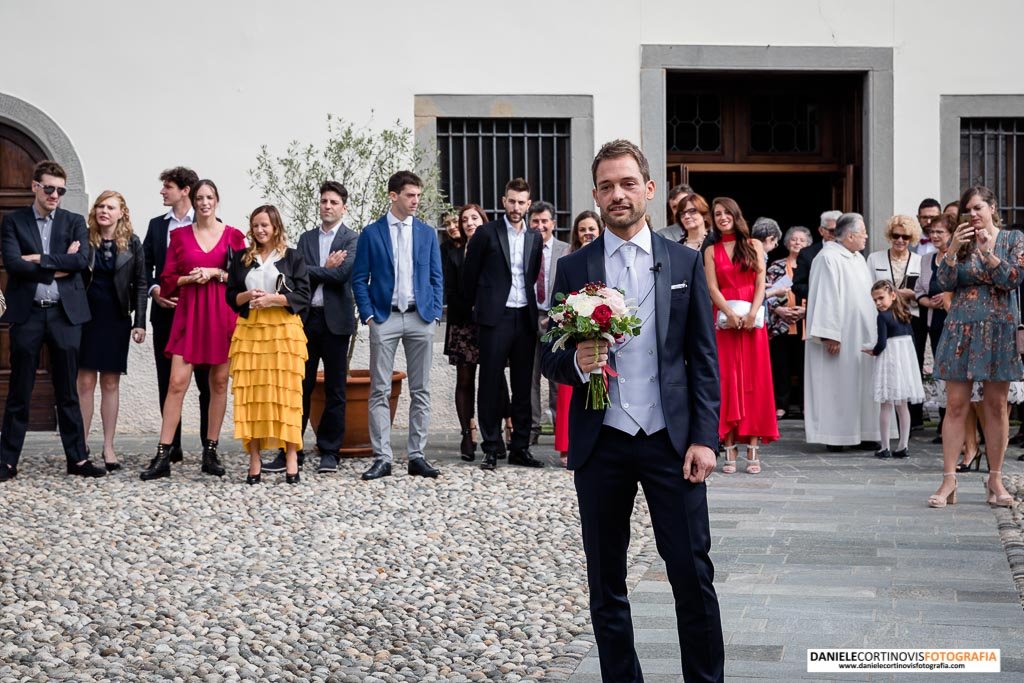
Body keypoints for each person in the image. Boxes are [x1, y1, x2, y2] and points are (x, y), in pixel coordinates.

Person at [542, 139, 723, 682]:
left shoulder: (685, 263)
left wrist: (705, 439)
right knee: (606, 580)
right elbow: (546, 352)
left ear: (648, 189)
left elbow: (703, 361)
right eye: (605, 186)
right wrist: (576, 359)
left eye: (626, 184)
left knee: (692, 574)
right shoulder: (575, 267)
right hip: (603, 444)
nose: (616, 195)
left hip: (672, 441)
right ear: (595, 195)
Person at [0, 160, 105, 482]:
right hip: (28, 314)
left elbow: (81, 260)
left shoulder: (74, 223)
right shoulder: (14, 222)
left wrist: (40, 259)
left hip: (65, 315)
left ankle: (78, 459)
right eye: (49, 188)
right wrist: (59, 265)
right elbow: (14, 264)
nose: (55, 195)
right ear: (34, 186)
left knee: (68, 391)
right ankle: (6, 462)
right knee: (20, 389)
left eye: (60, 190)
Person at [140, 179, 246, 481]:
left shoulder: (234, 236)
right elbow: (168, 278)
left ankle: (210, 451)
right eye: (199, 197)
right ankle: (164, 453)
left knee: (219, 383)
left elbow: (242, 277)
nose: (204, 202)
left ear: (217, 200)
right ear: (194, 200)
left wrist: (216, 273)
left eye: (209, 197)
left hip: (222, 315)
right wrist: (190, 279)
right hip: (189, 314)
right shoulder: (180, 236)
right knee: (176, 383)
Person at [929, 186, 1024, 508]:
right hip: (961, 329)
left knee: (996, 407)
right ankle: (948, 481)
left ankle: (995, 480)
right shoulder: (961, 243)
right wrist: (954, 249)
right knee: (956, 405)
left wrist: (988, 252)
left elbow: (1013, 278)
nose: (973, 214)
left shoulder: (1013, 240)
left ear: (993, 208)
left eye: (978, 208)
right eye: (968, 209)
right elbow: (943, 282)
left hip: (999, 330)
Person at [351, 170, 444, 481]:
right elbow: (359, 278)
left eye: (418, 195)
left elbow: (436, 276)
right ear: (393, 196)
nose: (416, 200)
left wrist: (433, 314)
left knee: (422, 390)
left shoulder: (427, 233)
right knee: (379, 389)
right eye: (410, 195)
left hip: (420, 317)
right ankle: (382, 458)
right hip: (384, 316)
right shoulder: (371, 233)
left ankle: (417, 455)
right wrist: (368, 315)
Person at [264, 181, 358, 475]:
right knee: (297, 387)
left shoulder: (352, 239)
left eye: (333, 202)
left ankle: (330, 451)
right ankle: (291, 450)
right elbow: (295, 276)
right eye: (323, 202)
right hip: (305, 320)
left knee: (335, 389)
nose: (327, 206)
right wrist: (324, 270)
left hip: (337, 322)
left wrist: (323, 272)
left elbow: (343, 275)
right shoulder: (305, 239)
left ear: (343, 207)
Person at [463, 178, 545, 471]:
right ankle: (491, 446)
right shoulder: (486, 233)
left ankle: (520, 447)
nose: (516, 207)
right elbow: (469, 276)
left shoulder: (534, 238)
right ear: (503, 201)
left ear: (528, 203)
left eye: (521, 202)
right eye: (511, 201)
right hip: (494, 319)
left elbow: (531, 273)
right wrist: (477, 310)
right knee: (490, 383)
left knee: (523, 385)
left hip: (524, 316)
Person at [227, 205, 310, 484]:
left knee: (286, 395)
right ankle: (254, 459)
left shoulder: (292, 257)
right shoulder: (241, 258)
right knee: (252, 395)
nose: (260, 230)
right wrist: (248, 294)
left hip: (284, 333)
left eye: (265, 225)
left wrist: (273, 299)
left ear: (275, 227)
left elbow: (303, 295)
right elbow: (230, 297)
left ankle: (290, 457)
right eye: (255, 225)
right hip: (251, 333)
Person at [142, 166, 211, 465]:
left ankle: (210, 447)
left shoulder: (209, 223)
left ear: (185, 190)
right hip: (167, 312)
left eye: (167, 186)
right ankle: (172, 446)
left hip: (202, 313)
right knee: (167, 380)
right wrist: (155, 290)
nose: (162, 191)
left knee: (207, 382)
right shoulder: (157, 226)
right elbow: (143, 266)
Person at [705, 198, 779, 474]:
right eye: (717, 214)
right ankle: (729, 446)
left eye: (726, 213)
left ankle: (753, 445)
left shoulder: (754, 245)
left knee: (754, 381)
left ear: (736, 215)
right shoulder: (711, 251)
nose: (722, 217)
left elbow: (761, 282)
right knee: (727, 380)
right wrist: (729, 312)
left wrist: (752, 314)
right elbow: (712, 288)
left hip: (752, 324)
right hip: (725, 323)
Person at [77, 191, 147, 471]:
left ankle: (108, 446)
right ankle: (79, 445)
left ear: (122, 213)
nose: (104, 210)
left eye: (111, 207)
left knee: (110, 383)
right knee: (84, 383)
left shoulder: (133, 243)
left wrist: (140, 321)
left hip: (116, 318)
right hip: (84, 318)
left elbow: (141, 284)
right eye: (100, 206)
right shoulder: (82, 239)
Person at [804, 212, 882, 451]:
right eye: (863, 233)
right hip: (840, 337)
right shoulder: (827, 257)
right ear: (850, 235)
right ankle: (836, 436)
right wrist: (830, 334)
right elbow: (825, 297)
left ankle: (864, 432)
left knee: (859, 383)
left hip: (861, 335)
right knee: (837, 385)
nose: (866, 236)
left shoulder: (857, 257)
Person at [554, 211, 604, 467]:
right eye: (583, 229)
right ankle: (566, 445)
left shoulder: (606, 258)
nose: (588, 233)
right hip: (576, 335)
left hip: (601, 332)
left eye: (592, 229)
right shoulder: (569, 260)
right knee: (568, 394)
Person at [866, 215, 925, 431]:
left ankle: (913, 420)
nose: (900, 240)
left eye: (905, 236)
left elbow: (924, 290)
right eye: (895, 235)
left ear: (912, 238)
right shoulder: (875, 258)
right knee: (888, 365)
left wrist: (912, 293)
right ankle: (889, 424)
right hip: (885, 316)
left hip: (911, 317)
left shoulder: (920, 261)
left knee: (911, 365)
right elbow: (869, 286)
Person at [444, 204, 488, 459]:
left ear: (483, 220)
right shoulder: (454, 253)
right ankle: (466, 435)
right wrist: (470, 307)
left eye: (474, 218)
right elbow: (449, 290)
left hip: (490, 322)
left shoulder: (493, 248)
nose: (470, 222)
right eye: (465, 219)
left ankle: (494, 432)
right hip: (463, 324)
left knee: (494, 381)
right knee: (465, 380)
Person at [863, 280, 925, 459]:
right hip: (904, 360)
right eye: (875, 300)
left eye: (881, 298)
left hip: (889, 359)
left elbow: (882, 343)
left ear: (893, 295)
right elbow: (911, 339)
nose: (878, 303)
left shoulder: (882, 317)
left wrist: (872, 351)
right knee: (902, 405)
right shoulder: (905, 313)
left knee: (886, 404)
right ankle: (903, 445)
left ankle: (885, 446)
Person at [528, 200, 568, 446]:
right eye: (535, 221)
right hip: (529, 318)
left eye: (544, 221)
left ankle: (558, 427)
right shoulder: (524, 247)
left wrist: (555, 315)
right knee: (529, 378)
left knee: (557, 377)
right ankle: (532, 428)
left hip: (557, 320)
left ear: (553, 223)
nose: (540, 225)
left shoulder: (565, 249)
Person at [915, 214, 954, 443]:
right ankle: (943, 422)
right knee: (940, 372)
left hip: (954, 322)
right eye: (932, 232)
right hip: (935, 321)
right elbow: (920, 289)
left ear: (951, 234)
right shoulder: (926, 259)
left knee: (953, 373)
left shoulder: (959, 258)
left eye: (940, 232)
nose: (935, 236)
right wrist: (927, 301)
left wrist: (949, 297)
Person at [766, 226, 811, 418]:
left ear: (808, 244)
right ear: (787, 243)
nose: (797, 243)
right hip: (780, 323)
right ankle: (781, 405)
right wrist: (779, 309)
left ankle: (805, 405)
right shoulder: (776, 266)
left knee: (805, 366)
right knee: (780, 365)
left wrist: (806, 310)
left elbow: (820, 290)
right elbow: (764, 290)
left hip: (806, 323)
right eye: (794, 239)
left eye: (802, 240)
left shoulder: (811, 264)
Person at [792, 209, 842, 303]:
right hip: (818, 308)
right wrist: (822, 292)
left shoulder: (850, 252)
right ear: (821, 230)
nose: (836, 235)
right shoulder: (807, 254)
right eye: (832, 231)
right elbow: (797, 286)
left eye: (839, 231)